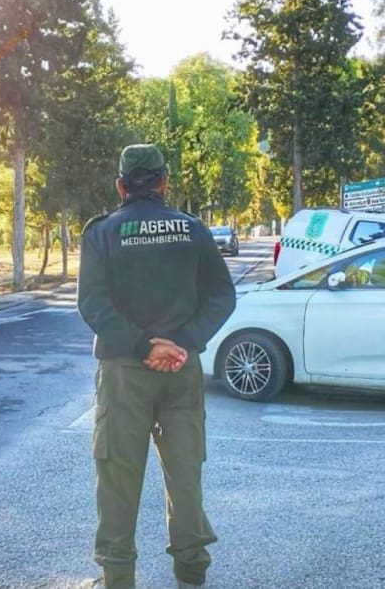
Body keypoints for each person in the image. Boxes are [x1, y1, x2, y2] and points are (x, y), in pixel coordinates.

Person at [77, 144, 236, 589]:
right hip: (181, 372)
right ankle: (191, 573)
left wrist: (143, 345)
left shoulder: (102, 233)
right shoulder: (193, 230)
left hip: (125, 374)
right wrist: (181, 342)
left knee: (118, 478)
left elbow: (91, 303)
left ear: (121, 185)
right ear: (165, 182)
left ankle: (118, 578)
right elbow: (223, 296)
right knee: (185, 474)